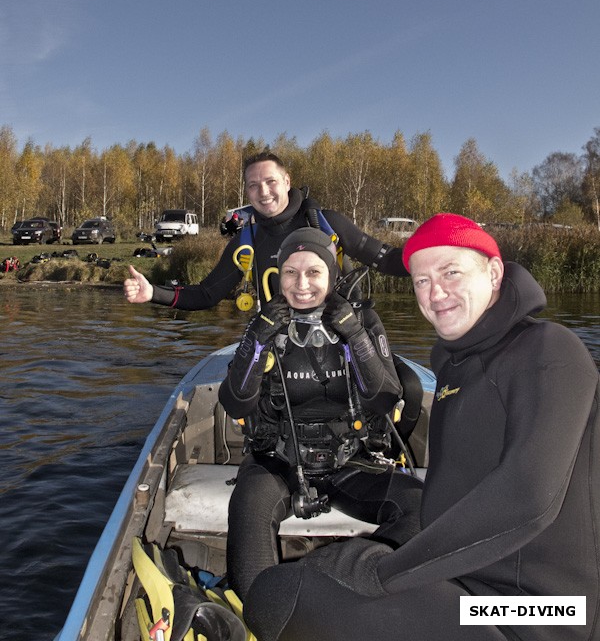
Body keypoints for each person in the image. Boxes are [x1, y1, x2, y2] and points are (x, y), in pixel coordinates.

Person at [243, 214, 600, 641]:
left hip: (543, 613)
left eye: (451, 272)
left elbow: (530, 496)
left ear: (494, 271)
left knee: (275, 595)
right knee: (308, 581)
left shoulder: (548, 348)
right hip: (466, 585)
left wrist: (384, 572)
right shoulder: (453, 366)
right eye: (421, 281)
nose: (436, 292)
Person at [219, 227, 423, 602]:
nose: (301, 284)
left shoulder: (361, 320)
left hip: (351, 461)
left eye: (314, 272)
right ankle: (276, 611)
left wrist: (355, 337)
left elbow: (384, 399)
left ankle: (353, 595)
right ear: (279, 276)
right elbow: (235, 403)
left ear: (331, 275)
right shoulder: (265, 324)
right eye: (291, 272)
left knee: (422, 509)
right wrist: (257, 338)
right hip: (275, 462)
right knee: (248, 543)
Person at [123, 151, 408, 311]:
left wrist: (439, 254)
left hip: (342, 336)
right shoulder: (247, 241)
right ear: (246, 191)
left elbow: (388, 259)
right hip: (280, 345)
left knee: (407, 387)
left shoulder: (326, 223)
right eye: (253, 185)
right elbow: (207, 294)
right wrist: (153, 293)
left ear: (286, 181)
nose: (263, 192)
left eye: (270, 181)